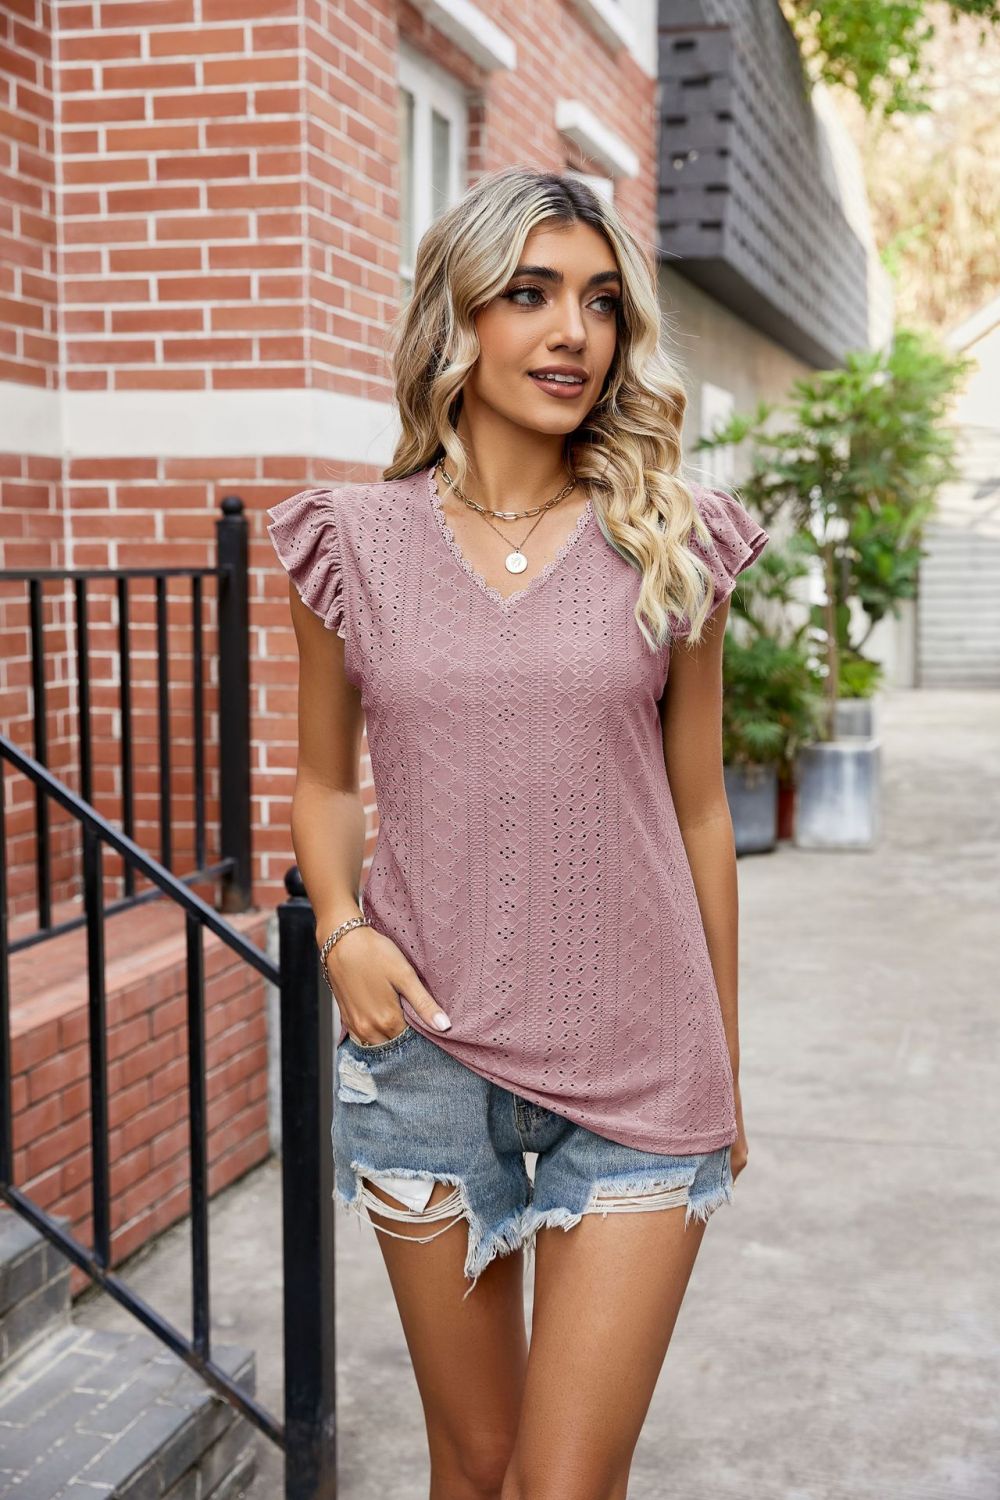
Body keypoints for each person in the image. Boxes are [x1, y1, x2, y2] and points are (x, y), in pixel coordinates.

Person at [266, 165, 769, 1500]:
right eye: (533, 294)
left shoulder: (670, 540)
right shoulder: (350, 543)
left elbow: (702, 810)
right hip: (423, 1054)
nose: (573, 333)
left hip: (643, 1059)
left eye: (601, 304)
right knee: (475, 1466)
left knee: (562, 1485)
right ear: (459, 316)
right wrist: (343, 933)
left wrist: (725, 1061)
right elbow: (323, 783)